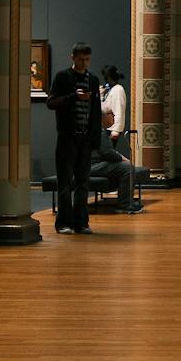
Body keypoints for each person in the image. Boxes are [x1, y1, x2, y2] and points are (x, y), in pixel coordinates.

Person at [46, 42, 103, 234]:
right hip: (67, 138)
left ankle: (81, 222)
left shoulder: (93, 80)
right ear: (72, 57)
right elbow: (51, 102)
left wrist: (95, 138)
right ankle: (63, 223)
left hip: (84, 139)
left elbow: (95, 111)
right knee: (65, 182)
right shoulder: (62, 77)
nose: (84, 63)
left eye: (87, 59)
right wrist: (73, 97)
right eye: (80, 59)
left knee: (83, 182)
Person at [89, 129, 144, 213]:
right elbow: (108, 153)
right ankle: (125, 205)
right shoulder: (99, 131)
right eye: (111, 115)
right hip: (93, 166)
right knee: (127, 168)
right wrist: (122, 159)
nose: (113, 121)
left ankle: (126, 202)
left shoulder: (93, 128)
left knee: (124, 166)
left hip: (88, 165)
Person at [100, 65, 127, 143]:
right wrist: (101, 95)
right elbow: (104, 107)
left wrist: (116, 130)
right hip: (105, 127)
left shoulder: (118, 89)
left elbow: (119, 111)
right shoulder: (110, 89)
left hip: (111, 129)